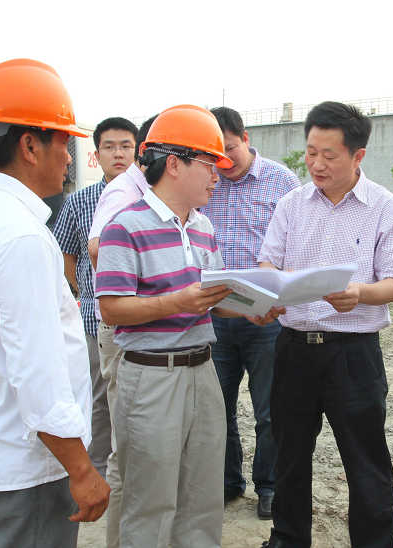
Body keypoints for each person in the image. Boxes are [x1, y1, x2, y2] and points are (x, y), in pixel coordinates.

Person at [95, 104, 282, 548]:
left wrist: (252, 309)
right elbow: (112, 309)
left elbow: (212, 300)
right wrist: (177, 302)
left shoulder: (202, 227)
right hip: (151, 376)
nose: (218, 175)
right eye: (208, 164)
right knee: (150, 499)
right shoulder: (126, 227)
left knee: (202, 498)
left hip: (202, 371)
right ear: (174, 164)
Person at [0, 58, 109, 548]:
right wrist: (81, 469)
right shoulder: (20, 237)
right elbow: (37, 372)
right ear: (30, 145)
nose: (69, 158)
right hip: (29, 469)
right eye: (63, 143)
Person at [259, 101, 393, 548]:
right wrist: (271, 290)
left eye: (329, 155)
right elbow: (269, 261)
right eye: (311, 153)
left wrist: (360, 293)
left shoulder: (385, 207)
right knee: (289, 455)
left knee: (365, 460)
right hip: (294, 348)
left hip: (353, 353)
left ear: (357, 155)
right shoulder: (291, 204)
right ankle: (288, 539)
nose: (317, 164)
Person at [200, 106, 300, 518]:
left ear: (246, 137)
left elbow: (297, 240)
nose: (224, 161)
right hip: (217, 315)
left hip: (266, 318)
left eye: (230, 148)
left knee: (270, 409)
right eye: (215, 154)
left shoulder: (281, 180)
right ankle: (226, 482)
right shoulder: (204, 180)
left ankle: (270, 486)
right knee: (216, 408)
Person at [53, 117, 138, 479]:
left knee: (135, 401)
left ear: (137, 151)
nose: (118, 154)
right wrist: (88, 291)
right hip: (94, 319)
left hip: (142, 317)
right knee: (99, 401)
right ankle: (100, 473)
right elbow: (66, 253)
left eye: (126, 146)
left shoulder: (149, 196)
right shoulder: (80, 201)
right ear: (97, 153)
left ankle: (131, 473)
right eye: (109, 147)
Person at [86, 113, 156, 548]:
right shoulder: (124, 191)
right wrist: (141, 287)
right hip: (123, 325)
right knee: (125, 438)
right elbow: (98, 246)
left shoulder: (141, 187)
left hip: (138, 322)